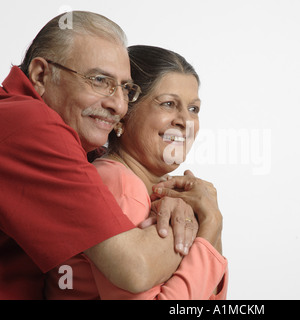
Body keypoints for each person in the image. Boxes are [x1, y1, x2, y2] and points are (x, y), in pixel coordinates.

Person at [0, 11, 212, 299]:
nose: (118, 105)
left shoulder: (79, 144)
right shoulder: (30, 124)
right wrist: (205, 223)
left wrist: (173, 200)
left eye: (125, 88)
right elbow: (135, 268)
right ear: (40, 75)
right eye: (99, 80)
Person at [44, 45, 228, 300]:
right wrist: (211, 226)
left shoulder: (158, 190)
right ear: (123, 115)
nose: (185, 120)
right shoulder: (120, 186)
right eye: (168, 104)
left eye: (193, 109)